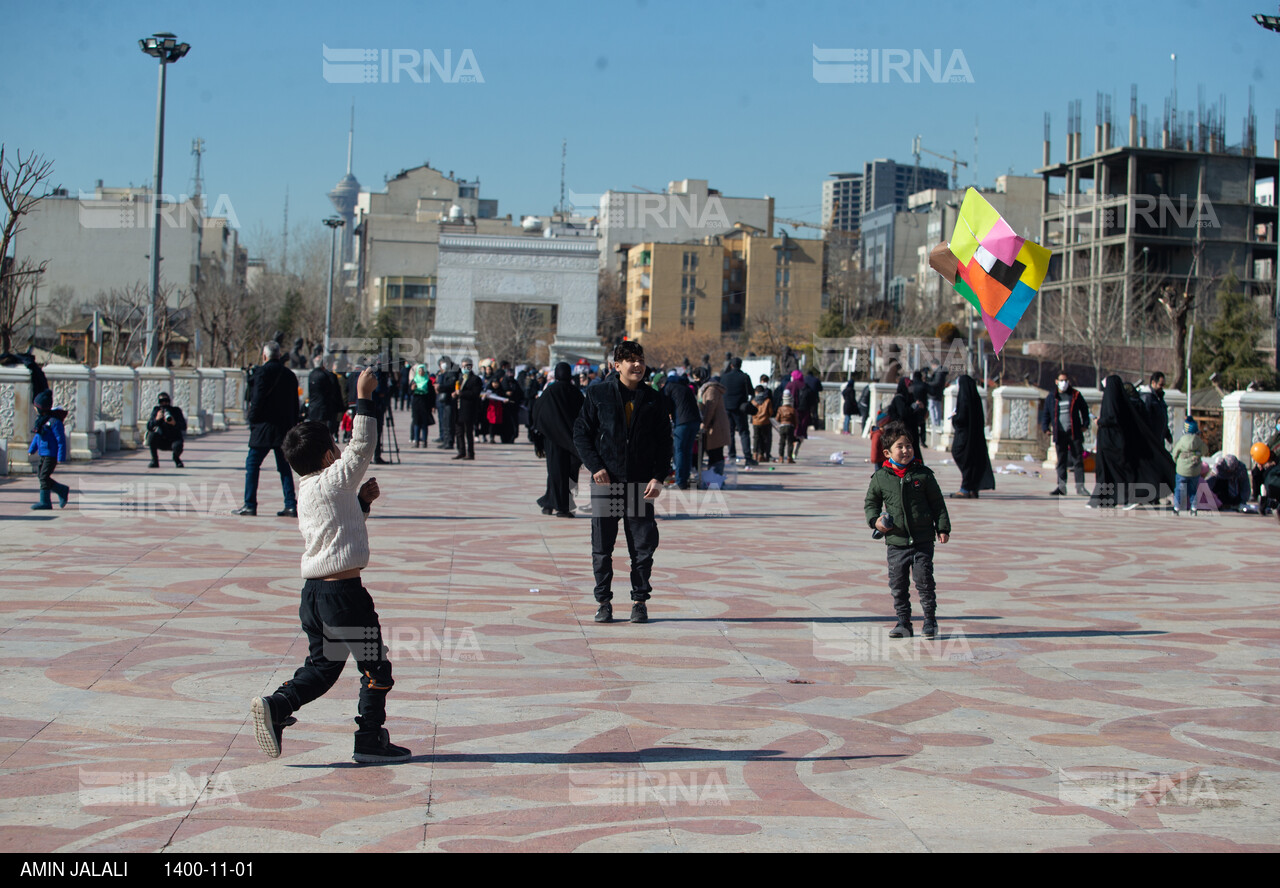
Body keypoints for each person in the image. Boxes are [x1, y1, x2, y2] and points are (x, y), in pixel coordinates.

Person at [251, 366, 411, 764]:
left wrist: (362, 505)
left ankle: (278, 704)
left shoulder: (308, 490)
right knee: (377, 669)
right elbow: (363, 444)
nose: (342, 450)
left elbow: (335, 531)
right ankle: (370, 739)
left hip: (315, 597)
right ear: (327, 455)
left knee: (324, 668)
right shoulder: (335, 478)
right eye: (334, 447)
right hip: (345, 598)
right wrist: (364, 395)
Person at [573, 341, 673, 624]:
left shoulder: (654, 399)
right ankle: (603, 602)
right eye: (629, 360)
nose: (637, 365)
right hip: (606, 483)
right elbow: (581, 433)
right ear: (616, 366)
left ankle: (639, 601)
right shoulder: (597, 394)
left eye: (640, 359)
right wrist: (596, 467)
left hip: (640, 485)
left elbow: (665, 443)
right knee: (602, 546)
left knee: (642, 547)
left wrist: (658, 476)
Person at [864, 420, 951, 639]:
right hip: (896, 541)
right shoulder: (881, 478)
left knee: (924, 581)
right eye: (900, 447)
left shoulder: (924, 475)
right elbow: (871, 504)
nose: (906, 450)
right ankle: (903, 622)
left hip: (922, 539)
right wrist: (875, 521)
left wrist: (942, 527)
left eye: (909, 446)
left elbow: (938, 504)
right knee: (898, 584)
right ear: (887, 452)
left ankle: (930, 620)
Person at [1088, 375, 1176, 509]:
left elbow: (1113, 418)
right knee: (1109, 473)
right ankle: (1105, 499)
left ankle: (1131, 498)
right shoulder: (1122, 401)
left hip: (1118, 445)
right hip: (1112, 444)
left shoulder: (1126, 402)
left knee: (1124, 473)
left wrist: (1100, 421)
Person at [234, 341, 300, 517]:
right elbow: (295, 404)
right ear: (279, 355)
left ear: (264, 356)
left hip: (264, 428)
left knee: (252, 465)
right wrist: (293, 426)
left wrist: (252, 420)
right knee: (285, 468)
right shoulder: (289, 375)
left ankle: (250, 504)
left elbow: (257, 400)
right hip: (284, 429)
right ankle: (291, 504)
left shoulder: (261, 373)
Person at [531, 362, 585, 516]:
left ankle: (550, 503)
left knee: (554, 472)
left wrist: (540, 436)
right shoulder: (575, 392)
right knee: (569, 473)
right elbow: (584, 416)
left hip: (552, 439)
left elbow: (537, 413)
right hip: (571, 441)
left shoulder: (550, 391)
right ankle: (562, 506)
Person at [1041, 371, 1091, 496]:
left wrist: (1085, 425)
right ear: (1056, 381)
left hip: (1074, 433)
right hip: (1060, 433)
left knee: (1078, 460)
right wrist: (1045, 427)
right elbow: (1046, 413)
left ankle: (1080, 487)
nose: (1064, 383)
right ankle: (1061, 487)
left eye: (1066, 381)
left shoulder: (1075, 395)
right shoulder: (1052, 396)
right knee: (1061, 461)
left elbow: (1084, 410)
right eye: (1061, 380)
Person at [949, 375, 994, 498]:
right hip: (974, 437)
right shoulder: (975, 398)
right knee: (972, 461)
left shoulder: (964, 399)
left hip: (964, 438)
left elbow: (961, 419)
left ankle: (966, 488)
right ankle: (972, 488)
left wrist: (954, 417)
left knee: (963, 457)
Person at [28, 390, 69, 510]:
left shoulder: (54, 422)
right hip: (43, 453)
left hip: (51, 454)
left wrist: (61, 456)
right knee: (41, 475)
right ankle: (61, 490)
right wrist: (32, 449)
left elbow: (60, 440)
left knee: (44, 476)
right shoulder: (41, 421)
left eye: (36, 407)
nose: (35, 409)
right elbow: (37, 436)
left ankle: (45, 502)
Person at [663, 369, 700, 489]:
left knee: (679, 451)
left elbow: (666, 406)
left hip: (682, 422)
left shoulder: (669, 387)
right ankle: (684, 480)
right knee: (687, 451)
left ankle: (679, 481)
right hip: (695, 422)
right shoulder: (686, 387)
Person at [721, 357, 754, 465]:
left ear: (731, 365)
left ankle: (731, 455)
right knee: (744, 432)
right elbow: (751, 392)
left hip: (726, 408)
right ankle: (748, 457)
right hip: (740, 408)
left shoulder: (724, 377)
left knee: (730, 433)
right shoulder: (744, 377)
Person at [697, 370, 730, 477]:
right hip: (712, 425)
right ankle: (713, 476)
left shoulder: (711, 389)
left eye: (696, 378)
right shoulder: (706, 388)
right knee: (713, 452)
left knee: (716, 452)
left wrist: (704, 424)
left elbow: (710, 409)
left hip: (716, 426)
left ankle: (716, 477)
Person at [1170, 418, 1205, 514]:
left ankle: (1176, 508)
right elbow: (1205, 451)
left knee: (1178, 489)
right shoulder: (1199, 441)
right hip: (1195, 470)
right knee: (1193, 490)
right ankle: (1194, 508)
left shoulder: (1182, 441)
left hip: (1182, 470)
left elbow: (1174, 454)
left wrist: (1178, 462)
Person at [146, 391, 187, 468]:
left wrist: (174, 423)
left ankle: (176, 458)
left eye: (166, 401)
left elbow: (184, 427)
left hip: (173, 439)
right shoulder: (156, 410)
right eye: (161, 401)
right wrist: (156, 419)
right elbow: (149, 426)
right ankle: (154, 460)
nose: (164, 403)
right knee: (151, 436)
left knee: (178, 445)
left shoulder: (176, 411)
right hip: (161, 439)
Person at [451, 358, 482, 460]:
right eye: (463, 366)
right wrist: (455, 394)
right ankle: (461, 451)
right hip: (458, 409)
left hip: (469, 409)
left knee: (468, 432)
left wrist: (462, 394)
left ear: (471, 366)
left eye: (467, 366)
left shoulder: (475, 379)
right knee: (459, 432)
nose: (465, 368)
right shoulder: (460, 378)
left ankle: (470, 453)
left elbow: (475, 393)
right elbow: (457, 390)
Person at [306, 352, 342, 437]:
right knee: (324, 432)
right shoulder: (325, 375)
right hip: (323, 408)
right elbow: (330, 391)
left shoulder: (311, 375)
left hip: (313, 408)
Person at [1141, 371, 1173, 447]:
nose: (1162, 388)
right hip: (1151, 442)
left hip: (1159, 440)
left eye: (1163, 385)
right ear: (1153, 383)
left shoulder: (1159, 399)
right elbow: (1145, 420)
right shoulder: (1147, 398)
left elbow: (1161, 418)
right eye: (1160, 385)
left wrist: (1167, 433)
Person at [409, 364, 435, 448]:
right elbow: (409, 392)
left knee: (424, 423)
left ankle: (424, 441)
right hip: (416, 403)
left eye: (422, 371)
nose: (421, 372)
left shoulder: (428, 381)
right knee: (416, 423)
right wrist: (412, 389)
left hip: (425, 403)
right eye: (419, 371)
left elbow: (432, 395)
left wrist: (433, 406)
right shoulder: (414, 380)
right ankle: (416, 441)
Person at [434, 357, 459, 448]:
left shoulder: (452, 372)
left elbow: (451, 384)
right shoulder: (446, 372)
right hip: (445, 400)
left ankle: (449, 442)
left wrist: (440, 387)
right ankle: (445, 440)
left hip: (450, 400)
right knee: (445, 421)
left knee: (449, 422)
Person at [750, 385, 774, 463]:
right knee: (764, 439)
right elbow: (770, 412)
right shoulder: (767, 401)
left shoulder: (753, 401)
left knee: (756, 438)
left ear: (756, 392)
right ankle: (761, 455)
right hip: (765, 422)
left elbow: (751, 412)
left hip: (756, 422)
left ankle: (754, 454)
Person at [776, 390, 798, 463]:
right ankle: (789, 458)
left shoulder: (780, 409)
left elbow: (777, 418)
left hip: (782, 426)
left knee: (782, 442)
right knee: (790, 442)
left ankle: (781, 457)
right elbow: (796, 420)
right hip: (790, 426)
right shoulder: (792, 409)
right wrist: (795, 426)